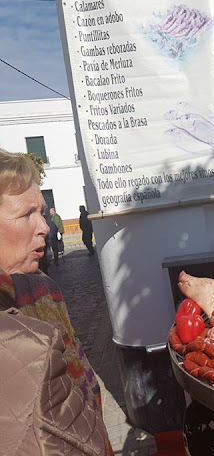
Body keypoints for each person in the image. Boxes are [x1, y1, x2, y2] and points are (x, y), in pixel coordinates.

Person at [0, 149, 112, 455]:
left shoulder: (44, 289)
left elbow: (83, 383)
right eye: (26, 214)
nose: (44, 227)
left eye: (42, 212)